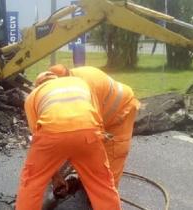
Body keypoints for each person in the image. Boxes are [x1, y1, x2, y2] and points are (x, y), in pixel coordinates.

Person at [15, 71, 121, 210]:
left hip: (51, 133)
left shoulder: (33, 96)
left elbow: (37, 133)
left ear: (38, 85)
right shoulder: (80, 83)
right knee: (102, 183)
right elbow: (96, 116)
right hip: (88, 132)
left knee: (32, 182)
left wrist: (54, 175)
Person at [49, 64, 140, 188]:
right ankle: (90, 184)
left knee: (113, 156)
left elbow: (93, 130)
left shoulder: (85, 89)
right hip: (103, 111)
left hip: (122, 111)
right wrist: (55, 174)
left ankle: (105, 196)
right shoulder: (62, 90)